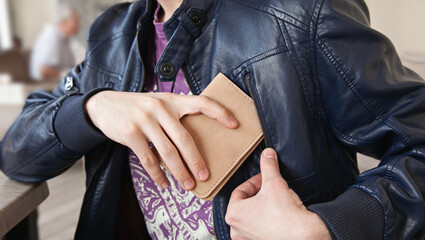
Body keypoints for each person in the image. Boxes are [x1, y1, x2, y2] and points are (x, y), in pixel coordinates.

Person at [1, 0, 425, 239]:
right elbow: (18, 154)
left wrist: (330, 227)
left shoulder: (304, 12)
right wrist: (93, 108)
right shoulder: (110, 35)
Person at [29, 5, 79, 81]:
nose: (78, 24)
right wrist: (65, 73)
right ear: (64, 21)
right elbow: (43, 70)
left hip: (58, 83)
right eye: (75, 21)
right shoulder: (51, 37)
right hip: (45, 85)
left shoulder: (65, 39)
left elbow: (72, 66)